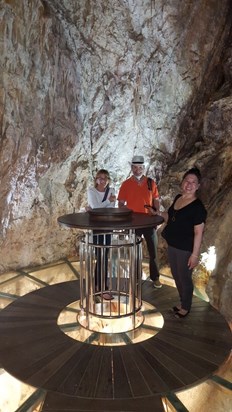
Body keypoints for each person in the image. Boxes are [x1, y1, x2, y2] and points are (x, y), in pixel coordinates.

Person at [150, 167, 207, 318]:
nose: (189, 184)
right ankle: (182, 302)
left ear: (198, 186)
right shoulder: (178, 198)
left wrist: (195, 255)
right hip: (173, 245)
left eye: (193, 182)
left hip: (185, 248)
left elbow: (198, 232)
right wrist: (158, 214)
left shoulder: (198, 208)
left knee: (184, 278)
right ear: (182, 183)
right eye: (187, 181)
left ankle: (185, 307)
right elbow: (170, 217)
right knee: (176, 275)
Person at [117, 155, 162, 288]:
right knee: (135, 252)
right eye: (135, 167)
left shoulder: (150, 182)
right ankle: (136, 277)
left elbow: (156, 199)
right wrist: (128, 213)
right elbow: (120, 203)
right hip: (133, 223)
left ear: (144, 168)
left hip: (148, 222)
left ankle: (155, 277)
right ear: (131, 168)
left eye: (140, 167)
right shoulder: (126, 184)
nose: (137, 170)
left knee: (153, 251)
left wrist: (156, 212)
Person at [87, 169, 116, 299]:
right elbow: (95, 206)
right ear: (96, 179)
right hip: (97, 226)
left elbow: (110, 208)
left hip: (108, 225)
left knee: (105, 255)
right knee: (100, 255)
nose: (102, 180)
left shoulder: (111, 191)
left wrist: (104, 205)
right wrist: (108, 202)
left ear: (108, 180)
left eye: (104, 178)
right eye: (99, 177)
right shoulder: (91, 191)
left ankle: (99, 286)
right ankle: (101, 287)